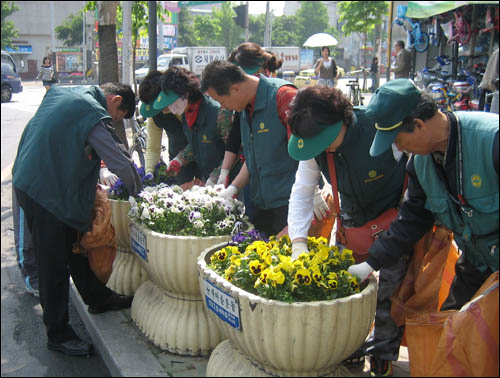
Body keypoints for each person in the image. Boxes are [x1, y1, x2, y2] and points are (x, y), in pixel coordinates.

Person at [348, 79, 499, 376]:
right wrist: (370, 264)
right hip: (476, 265)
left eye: (397, 139)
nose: (397, 147)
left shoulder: (490, 140)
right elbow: (411, 220)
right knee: (452, 336)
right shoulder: (420, 164)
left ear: (417, 125)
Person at [12, 83, 143, 357]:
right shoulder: (91, 111)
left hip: (35, 179)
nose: (114, 122)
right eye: (118, 116)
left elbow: (62, 142)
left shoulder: (65, 93)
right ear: (115, 99)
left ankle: (97, 297)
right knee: (54, 266)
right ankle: (58, 334)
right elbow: (118, 160)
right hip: (43, 192)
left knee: (75, 243)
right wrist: (140, 196)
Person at [201, 60, 299, 236]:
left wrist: (311, 199)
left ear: (235, 89)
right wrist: (233, 188)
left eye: (221, 101)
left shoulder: (283, 96)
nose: (222, 107)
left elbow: (308, 155)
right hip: (262, 206)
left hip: (290, 206)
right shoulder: (245, 108)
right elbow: (254, 157)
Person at [222, 42, 285, 221]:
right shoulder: (243, 101)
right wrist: (225, 176)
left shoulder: (279, 94)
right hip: (255, 177)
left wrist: (312, 190)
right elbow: (236, 138)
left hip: (282, 189)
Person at [155, 66, 235, 186]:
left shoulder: (219, 113)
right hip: (209, 180)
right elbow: (197, 143)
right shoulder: (187, 114)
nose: (171, 108)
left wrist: (216, 177)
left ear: (186, 93)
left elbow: (235, 150)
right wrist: (179, 160)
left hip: (231, 181)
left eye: (172, 102)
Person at [139, 70, 200, 185]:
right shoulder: (155, 116)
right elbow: (153, 147)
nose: (163, 110)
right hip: (177, 160)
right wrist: (149, 171)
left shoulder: (186, 104)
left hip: (203, 154)